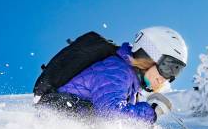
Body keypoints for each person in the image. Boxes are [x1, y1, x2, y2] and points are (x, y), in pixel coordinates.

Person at [39, 26, 188, 123]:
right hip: (56, 122)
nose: (166, 78)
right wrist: (150, 112)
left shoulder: (129, 81)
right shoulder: (117, 70)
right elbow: (111, 113)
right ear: (149, 53)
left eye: (175, 73)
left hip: (67, 124)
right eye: (169, 67)